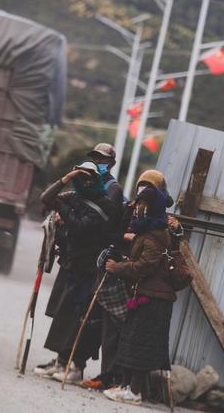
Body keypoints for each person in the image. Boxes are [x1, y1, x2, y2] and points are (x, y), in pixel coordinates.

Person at [33, 162, 118, 385]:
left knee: (82, 319)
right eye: (81, 177)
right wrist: (66, 178)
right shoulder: (75, 196)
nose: (85, 181)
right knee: (64, 314)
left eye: (89, 177)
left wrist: (63, 210)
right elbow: (46, 198)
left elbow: (79, 227)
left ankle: (76, 366)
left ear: (96, 180)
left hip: (90, 271)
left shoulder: (104, 204)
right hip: (73, 266)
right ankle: (61, 361)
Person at [102, 169, 177, 406]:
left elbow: (146, 266)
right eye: (138, 202)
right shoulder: (146, 227)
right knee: (132, 342)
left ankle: (134, 393)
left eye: (143, 203)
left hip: (155, 298)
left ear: (154, 205)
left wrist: (118, 268)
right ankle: (127, 387)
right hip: (144, 294)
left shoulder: (156, 232)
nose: (138, 206)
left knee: (141, 346)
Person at [81, 143, 125, 391]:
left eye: (102, 158)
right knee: (86, 317)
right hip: (85, 259)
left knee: (102, 320)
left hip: (101, 260)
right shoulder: (88, 185)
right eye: (95, 157)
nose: (98, 161)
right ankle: (75, 362)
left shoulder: (113, 189)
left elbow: (104, 224)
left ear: (111, 163)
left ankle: (107, 376)